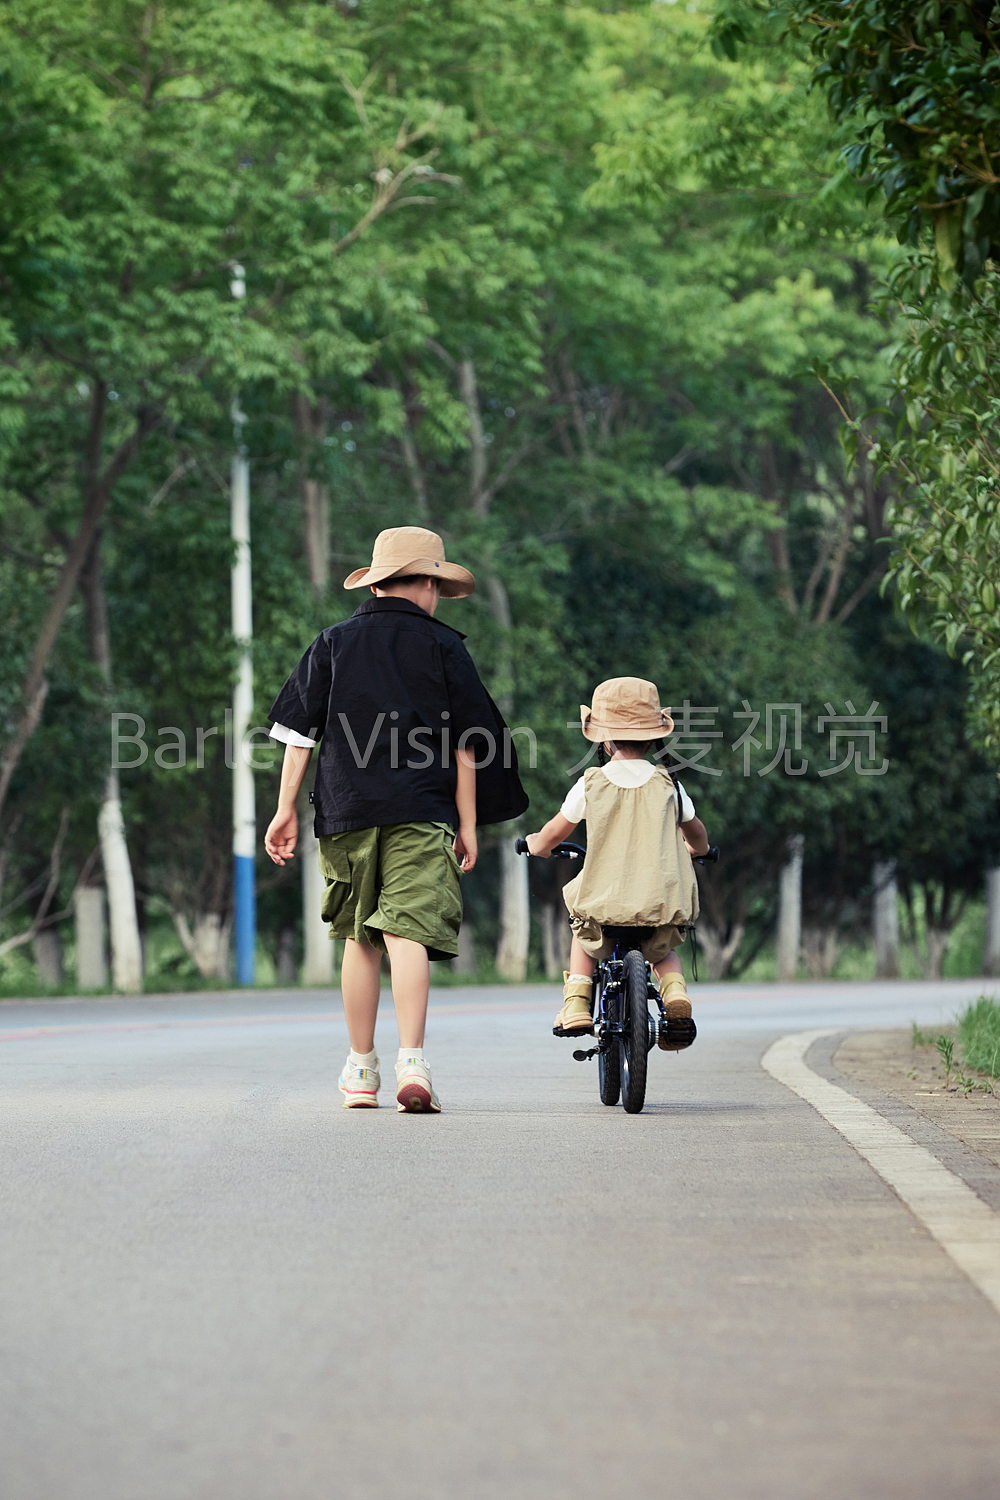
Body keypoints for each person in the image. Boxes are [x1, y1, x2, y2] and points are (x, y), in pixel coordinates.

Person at [264, 526, 528, 1112]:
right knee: (406, 931)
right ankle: (413, 1061)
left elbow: (297, 736)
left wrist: (284, 809)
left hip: (346, 809)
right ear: (430, 584)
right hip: (422, 806)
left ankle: (361, 1069)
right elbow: (469, 745)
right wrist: (467, 822)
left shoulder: (332, 642)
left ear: (379, 583)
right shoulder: (444, 648)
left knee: (359, 937)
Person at [524, 676, 709, 1048]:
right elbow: (697, 833)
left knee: (583, 935)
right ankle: (674, 993)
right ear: (655, 736)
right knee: (664, 949)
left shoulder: (592, 783)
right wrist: (697, 851)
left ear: (603, 739)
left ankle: (577, 1004)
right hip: (658, 902)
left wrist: (536, 845)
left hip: (605, 903)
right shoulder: (669, 784)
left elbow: (554, 834)